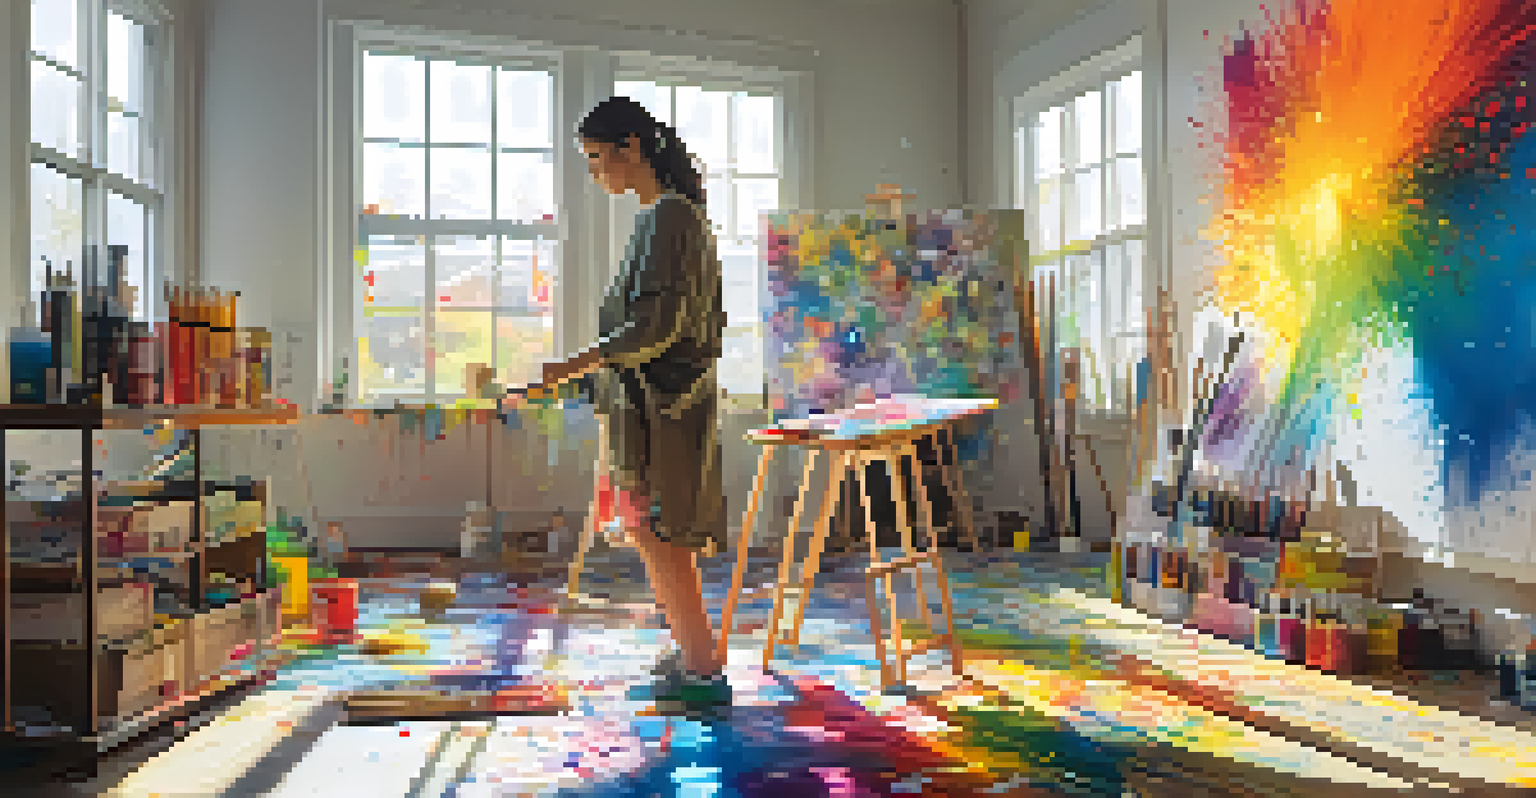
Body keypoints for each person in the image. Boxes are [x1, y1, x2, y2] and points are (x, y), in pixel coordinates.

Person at [506, 96, 730, 715]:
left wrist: (571, 366)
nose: (594, 171)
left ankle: (704, 672)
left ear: (631, 148)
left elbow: (655, 327)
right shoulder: (662, 216)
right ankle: (691, 654)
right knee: (651, 534)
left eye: (597, 157)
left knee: (663, 538)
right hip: (647, 410)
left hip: (664, 412)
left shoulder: (672, 217)